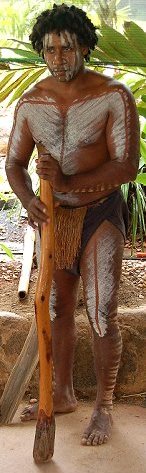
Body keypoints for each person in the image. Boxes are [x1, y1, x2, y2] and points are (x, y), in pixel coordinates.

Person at [6, 3, 140, 446]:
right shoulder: (32, 102)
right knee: (60, 309)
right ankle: (60, 394)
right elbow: (14, 165)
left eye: (67, 48)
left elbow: (125, 166)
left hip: (100, 211)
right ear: (41, 52)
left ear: (84, 46)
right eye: (50, 50)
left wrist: (67, 180)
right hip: (54, 216)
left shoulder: (112, 95)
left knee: (101, 313)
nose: (59, 58)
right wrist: (29, 200)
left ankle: (102, 406)